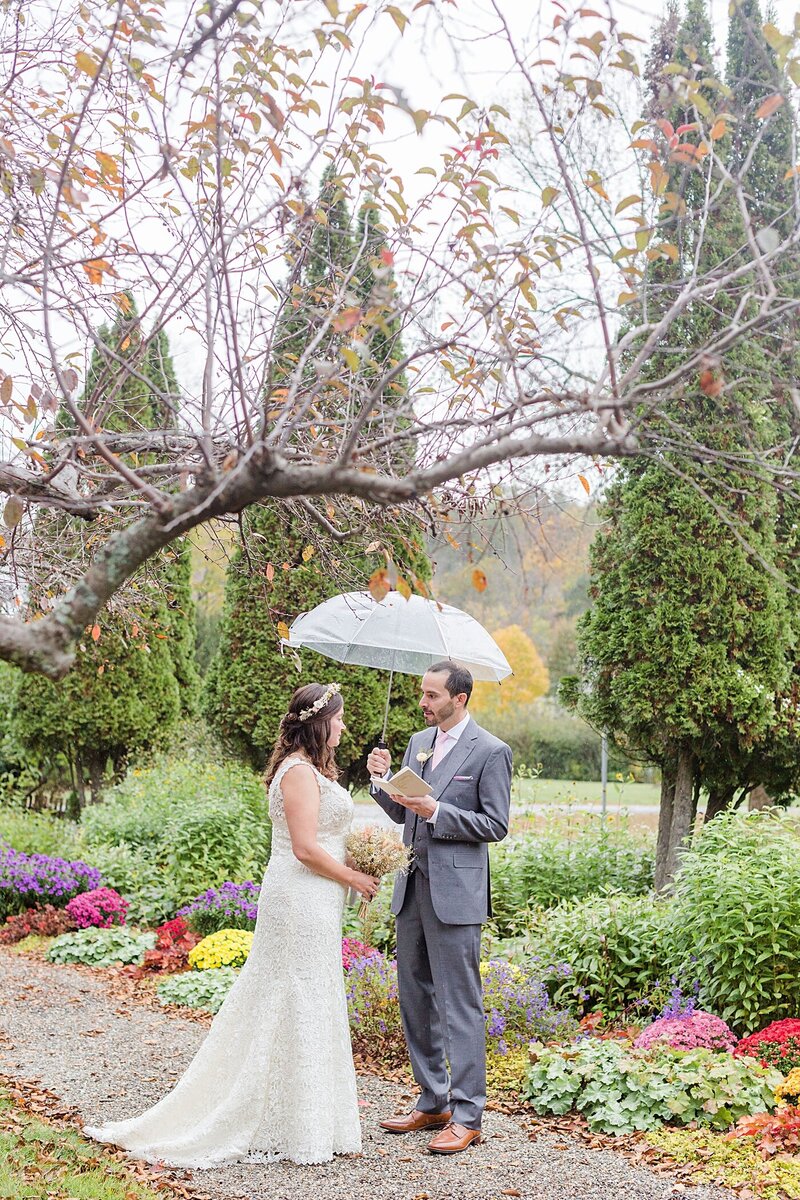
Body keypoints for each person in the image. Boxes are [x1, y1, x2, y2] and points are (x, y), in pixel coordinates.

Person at [85, 682, 379, 1168]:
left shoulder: (312, 771)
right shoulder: (298, 773)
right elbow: (305, 848)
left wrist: (360, 857)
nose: (345, 727)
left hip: (319, 900)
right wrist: (353, 875)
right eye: (340, 719)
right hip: (299, 898)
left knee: (310, 993)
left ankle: (304, 1118)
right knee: (293, 994)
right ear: (321, 722)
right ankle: (273, 1119)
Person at [367, 660, 512, 1155]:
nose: (423, 703)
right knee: (415, 997)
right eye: (422, 694)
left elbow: (495, 824)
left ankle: (468, 1114)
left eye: (431, 695)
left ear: (460, 699)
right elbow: (406, 813)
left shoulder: (491, 752)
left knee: (460, 1004)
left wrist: (439, 812)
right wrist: (382, 783)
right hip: (411, 889)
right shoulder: (416, 744)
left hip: (456, 896)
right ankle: (433, 1101)